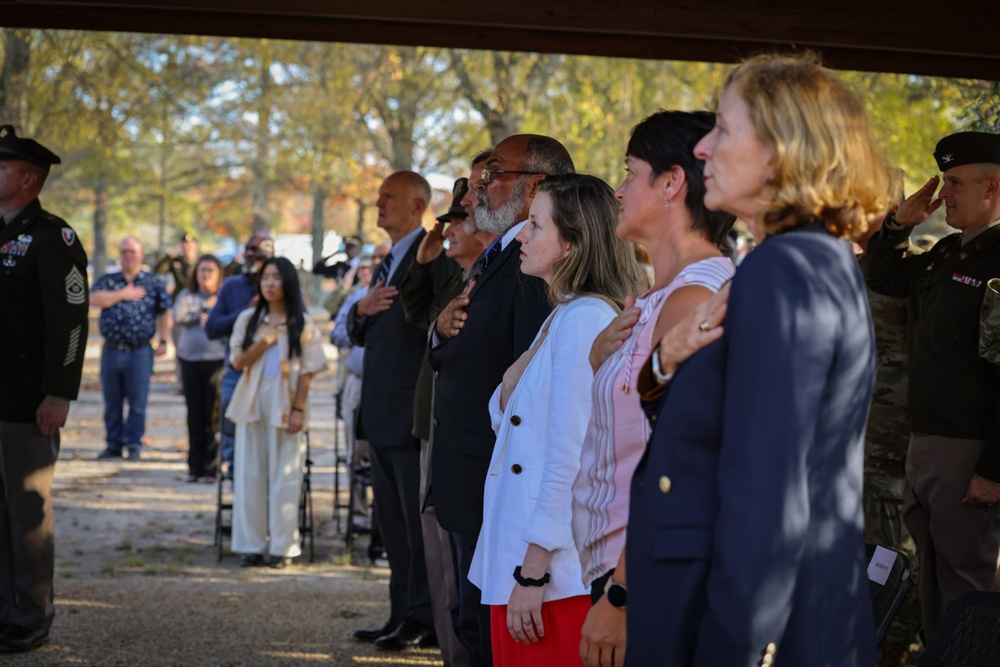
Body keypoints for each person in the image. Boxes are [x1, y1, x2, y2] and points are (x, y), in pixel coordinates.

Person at [625, 52, 895, 666]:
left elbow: (770, 497)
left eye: (723, 127)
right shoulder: (799, 262)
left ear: (779, 149)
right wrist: (664, 365)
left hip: (749, 624)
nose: (703, 149)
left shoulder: (785, 270)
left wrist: (737, 647)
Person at [572, 111, 736, 667]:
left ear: (671, 183)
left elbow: (679, 467)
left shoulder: (696, 302)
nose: (616, 190)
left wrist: (620, 594)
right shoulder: (659, 299)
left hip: (648, 574)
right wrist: (599, 358)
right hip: (623, 562)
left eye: (628, 172)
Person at [469, 173, 645, 666]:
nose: (521, 236)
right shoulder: (565, 314)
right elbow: (507, 415)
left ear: (571, 244)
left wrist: (533, 572)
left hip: (551, 573)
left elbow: (570, 452)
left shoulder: (584, 318)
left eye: (535, 226)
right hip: (526, 556)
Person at [429, 135, 573, 667]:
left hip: (498, 477)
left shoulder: (534, 263)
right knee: (475, 623)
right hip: (472, 472)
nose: (478, 188)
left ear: (535, 184)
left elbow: (532, 392)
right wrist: (440, 334)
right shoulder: (501, 254)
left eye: (492, 174)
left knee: (490, 635)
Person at [865, 131, 1000, 643]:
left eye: (956, 182)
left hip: (968, 448)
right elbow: (883, 276)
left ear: (993, 187)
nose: (944, 194)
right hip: (924, 443)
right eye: (944, 181)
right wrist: (899, 224)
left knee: (966, 587)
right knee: (930, 579)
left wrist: (993, 470)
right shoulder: (946, 252)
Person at [348, 171, 450, 651]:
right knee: (390, 525)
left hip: (409, 414)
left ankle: (423, 618)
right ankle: (399, 614)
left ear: (417, 205)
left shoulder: (433, 254)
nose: (377, 205)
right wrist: (360, 308)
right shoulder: (387, 259)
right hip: (380, 412)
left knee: (415, 529)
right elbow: (361, 329)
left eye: (388, 198)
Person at [0, 124, 88, 653]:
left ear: (29, 179)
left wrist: (59, 392)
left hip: (28, 401)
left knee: (27, 508)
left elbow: (71, 321)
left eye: (2, 166)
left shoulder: (53, 236)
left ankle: (32, 615)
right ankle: (6, 608)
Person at [398, 169, 490, 667]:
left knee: (458, 562)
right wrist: (424, 258)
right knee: (439, 558)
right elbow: (418, 314)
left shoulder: (490, 279)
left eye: (458, 220)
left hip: (462, 432)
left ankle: (460, 654)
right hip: (433, 423)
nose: (448, 229)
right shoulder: (456, 276)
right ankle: (451, 651)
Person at [855, 194, 923, 666]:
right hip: (850, 444)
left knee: (892, 555)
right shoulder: (843, 267)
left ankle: (890, 649)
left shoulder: (908, 273)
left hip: (890, 443)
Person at [226, 256, 327, 568]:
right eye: (265, 277)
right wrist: (265, 341)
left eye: (275, 277)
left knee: (286, 476)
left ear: (288, 283)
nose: (269, 283)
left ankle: (283, 547)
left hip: (286, 402)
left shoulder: (303, 325)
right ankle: (251, 545)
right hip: (252, 401)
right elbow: (237, 362)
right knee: (249, 474)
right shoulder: (247, 320)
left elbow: (308, 371)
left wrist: (298, 409)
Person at [90, 237, 172, 461]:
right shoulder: (109, 280)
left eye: (132, 252)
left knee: (137, 401)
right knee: (112, 402)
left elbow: (165, 311)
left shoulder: (153, 281)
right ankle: (113, 444)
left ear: (140, 255)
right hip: (112, 349)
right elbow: (93, 298)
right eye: (125, 251)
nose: (128, 256)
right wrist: (121, 295)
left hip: (140, 351)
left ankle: (134, 443)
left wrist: (164, 340)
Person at [205, 232, 274, 474]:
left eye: (259, 250)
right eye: (249, 248)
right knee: (231, 422)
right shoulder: (232, 286)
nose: (252, 254)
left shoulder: (280, 286)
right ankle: (235, 473)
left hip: (270, 371)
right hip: (238, 369)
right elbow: (212, 328)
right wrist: (245, 312)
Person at [330, 246, 387, 536]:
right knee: (356, 453)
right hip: (358, 380)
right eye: (373, 260)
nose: (376, 264)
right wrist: (361, 327)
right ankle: (359, 515)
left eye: (382, 258)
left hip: (390, 386)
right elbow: (337, 333)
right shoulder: (356, 297)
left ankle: (384, 520)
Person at [173, 254, 227, 482]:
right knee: (194, 416)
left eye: (210, 271)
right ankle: (194, 467)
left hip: (215, 362)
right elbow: (178, 317)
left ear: (218, 275)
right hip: (190, 361)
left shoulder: (224, 297)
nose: (205, 275)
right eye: (202, 270)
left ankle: (211, 467)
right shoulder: (187, 296)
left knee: (212, 418)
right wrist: (203, 311)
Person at [153, 232, 199, 299]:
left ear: (195, 245)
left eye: (190, 244)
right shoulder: (175, 261)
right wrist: (170, 256)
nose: (187, 247)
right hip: (178, 298)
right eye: (185, 244)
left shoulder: (201, 262)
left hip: (196, 298)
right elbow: (158, 270)